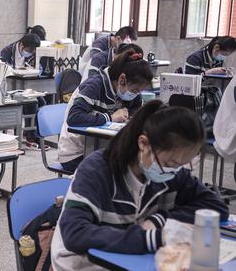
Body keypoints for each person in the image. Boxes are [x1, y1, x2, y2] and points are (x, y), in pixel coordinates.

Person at [51, 101, 229, 270]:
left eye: (182, 164)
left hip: (132, 259)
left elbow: (215, 207)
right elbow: (75, 234)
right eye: (172, 162)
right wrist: (152, 238)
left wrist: (160, 219)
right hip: (84, 264)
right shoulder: (98, 170)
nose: (175, 171)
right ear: (143, 144)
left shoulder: (170, 171)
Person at [58, 50, 153, 172]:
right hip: (76, 153)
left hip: (103, 147)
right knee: (124, 171)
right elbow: (74, 118)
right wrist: (110, 117)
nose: (136, 94)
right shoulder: (94, 85)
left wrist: (131, 118)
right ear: (122, 79)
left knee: (142, 162)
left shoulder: (127, 89)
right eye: (135, 91)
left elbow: (136, 109)